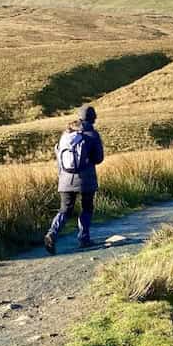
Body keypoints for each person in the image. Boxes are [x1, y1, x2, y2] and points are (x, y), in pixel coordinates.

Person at [44, 105, 105, 254]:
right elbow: (98, 158)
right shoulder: (92, 134)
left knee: (65, 209)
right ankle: (84, 238)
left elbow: (59, 155)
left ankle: (52, 233)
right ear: (93, 118)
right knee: (87, 208)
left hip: (65, 179)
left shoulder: (67, 133)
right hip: (86, 180)